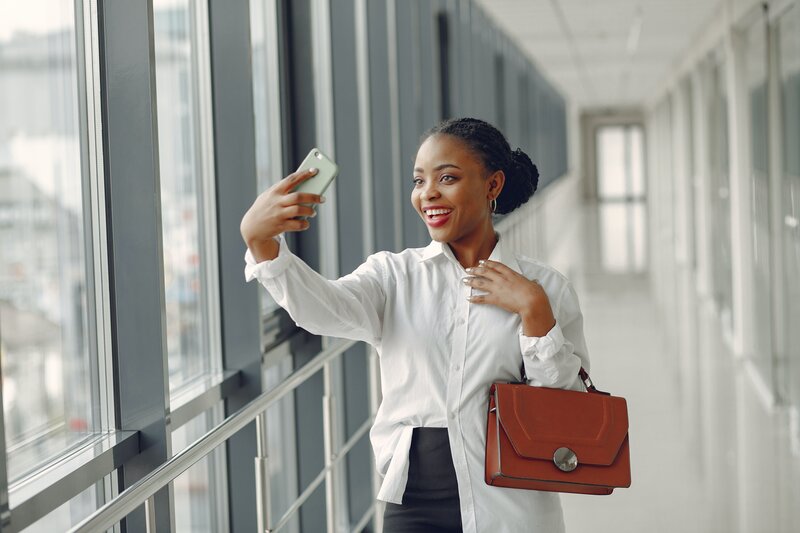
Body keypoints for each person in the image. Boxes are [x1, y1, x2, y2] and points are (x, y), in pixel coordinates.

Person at [240, 117, 590, 533]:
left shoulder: (545, 288)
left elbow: (570, 409)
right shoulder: (393, 276)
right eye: (419, 180)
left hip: (511, 500)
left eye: (447, 178)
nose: (428, 194)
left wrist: (535, 314)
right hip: (414, 503)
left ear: (492, 186)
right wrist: (262, 245)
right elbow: (323, 310)